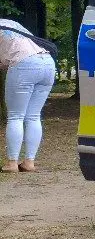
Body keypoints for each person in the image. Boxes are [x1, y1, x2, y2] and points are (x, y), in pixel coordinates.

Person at [0, 19, 56, 173]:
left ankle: (12, 163)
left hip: (24, 64)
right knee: (33, 116)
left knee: (15, 116)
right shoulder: (10, 23)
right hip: (47, 62)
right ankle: (29, 162)